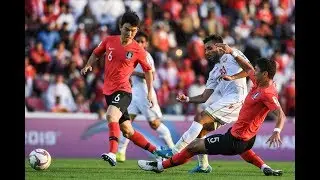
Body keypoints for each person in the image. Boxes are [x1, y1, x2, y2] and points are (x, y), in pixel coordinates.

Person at [137, 43, 285, 176]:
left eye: (257, 71)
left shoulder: (267, 93)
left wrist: (276, 131)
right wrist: (232, 51)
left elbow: (281, 115)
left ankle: (160, 165)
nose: (254, 72)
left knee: (194, 146)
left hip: (235, 139)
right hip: (245, 138)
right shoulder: (259, 82)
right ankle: (264, 167)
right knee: (237, 147)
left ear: (265, 74)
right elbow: (247, 68)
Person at [80, 11, 158, 167]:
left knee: (110, 116)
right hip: (108, 91)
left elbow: (149, 71)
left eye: (134, 30)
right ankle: (158, 152)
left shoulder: (138, 49)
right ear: (120, 26)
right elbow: (96, 54)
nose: (130, 33)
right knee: (128, 131)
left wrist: (150, 91)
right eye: (127, 29)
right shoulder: (109, 41)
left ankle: (112, 153)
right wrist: (89, 64)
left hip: (123, 91)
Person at [116, 31, 175, 162]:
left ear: (146, 43)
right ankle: (120, 153)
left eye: (143, 41)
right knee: (126, 123)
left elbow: (151, 75)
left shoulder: (146, 56)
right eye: (138, 41)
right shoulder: (129, 55)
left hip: (145, 93)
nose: (140, 43)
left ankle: (173, 150)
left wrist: (134, 73)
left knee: (154, 124)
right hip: (132, 94)